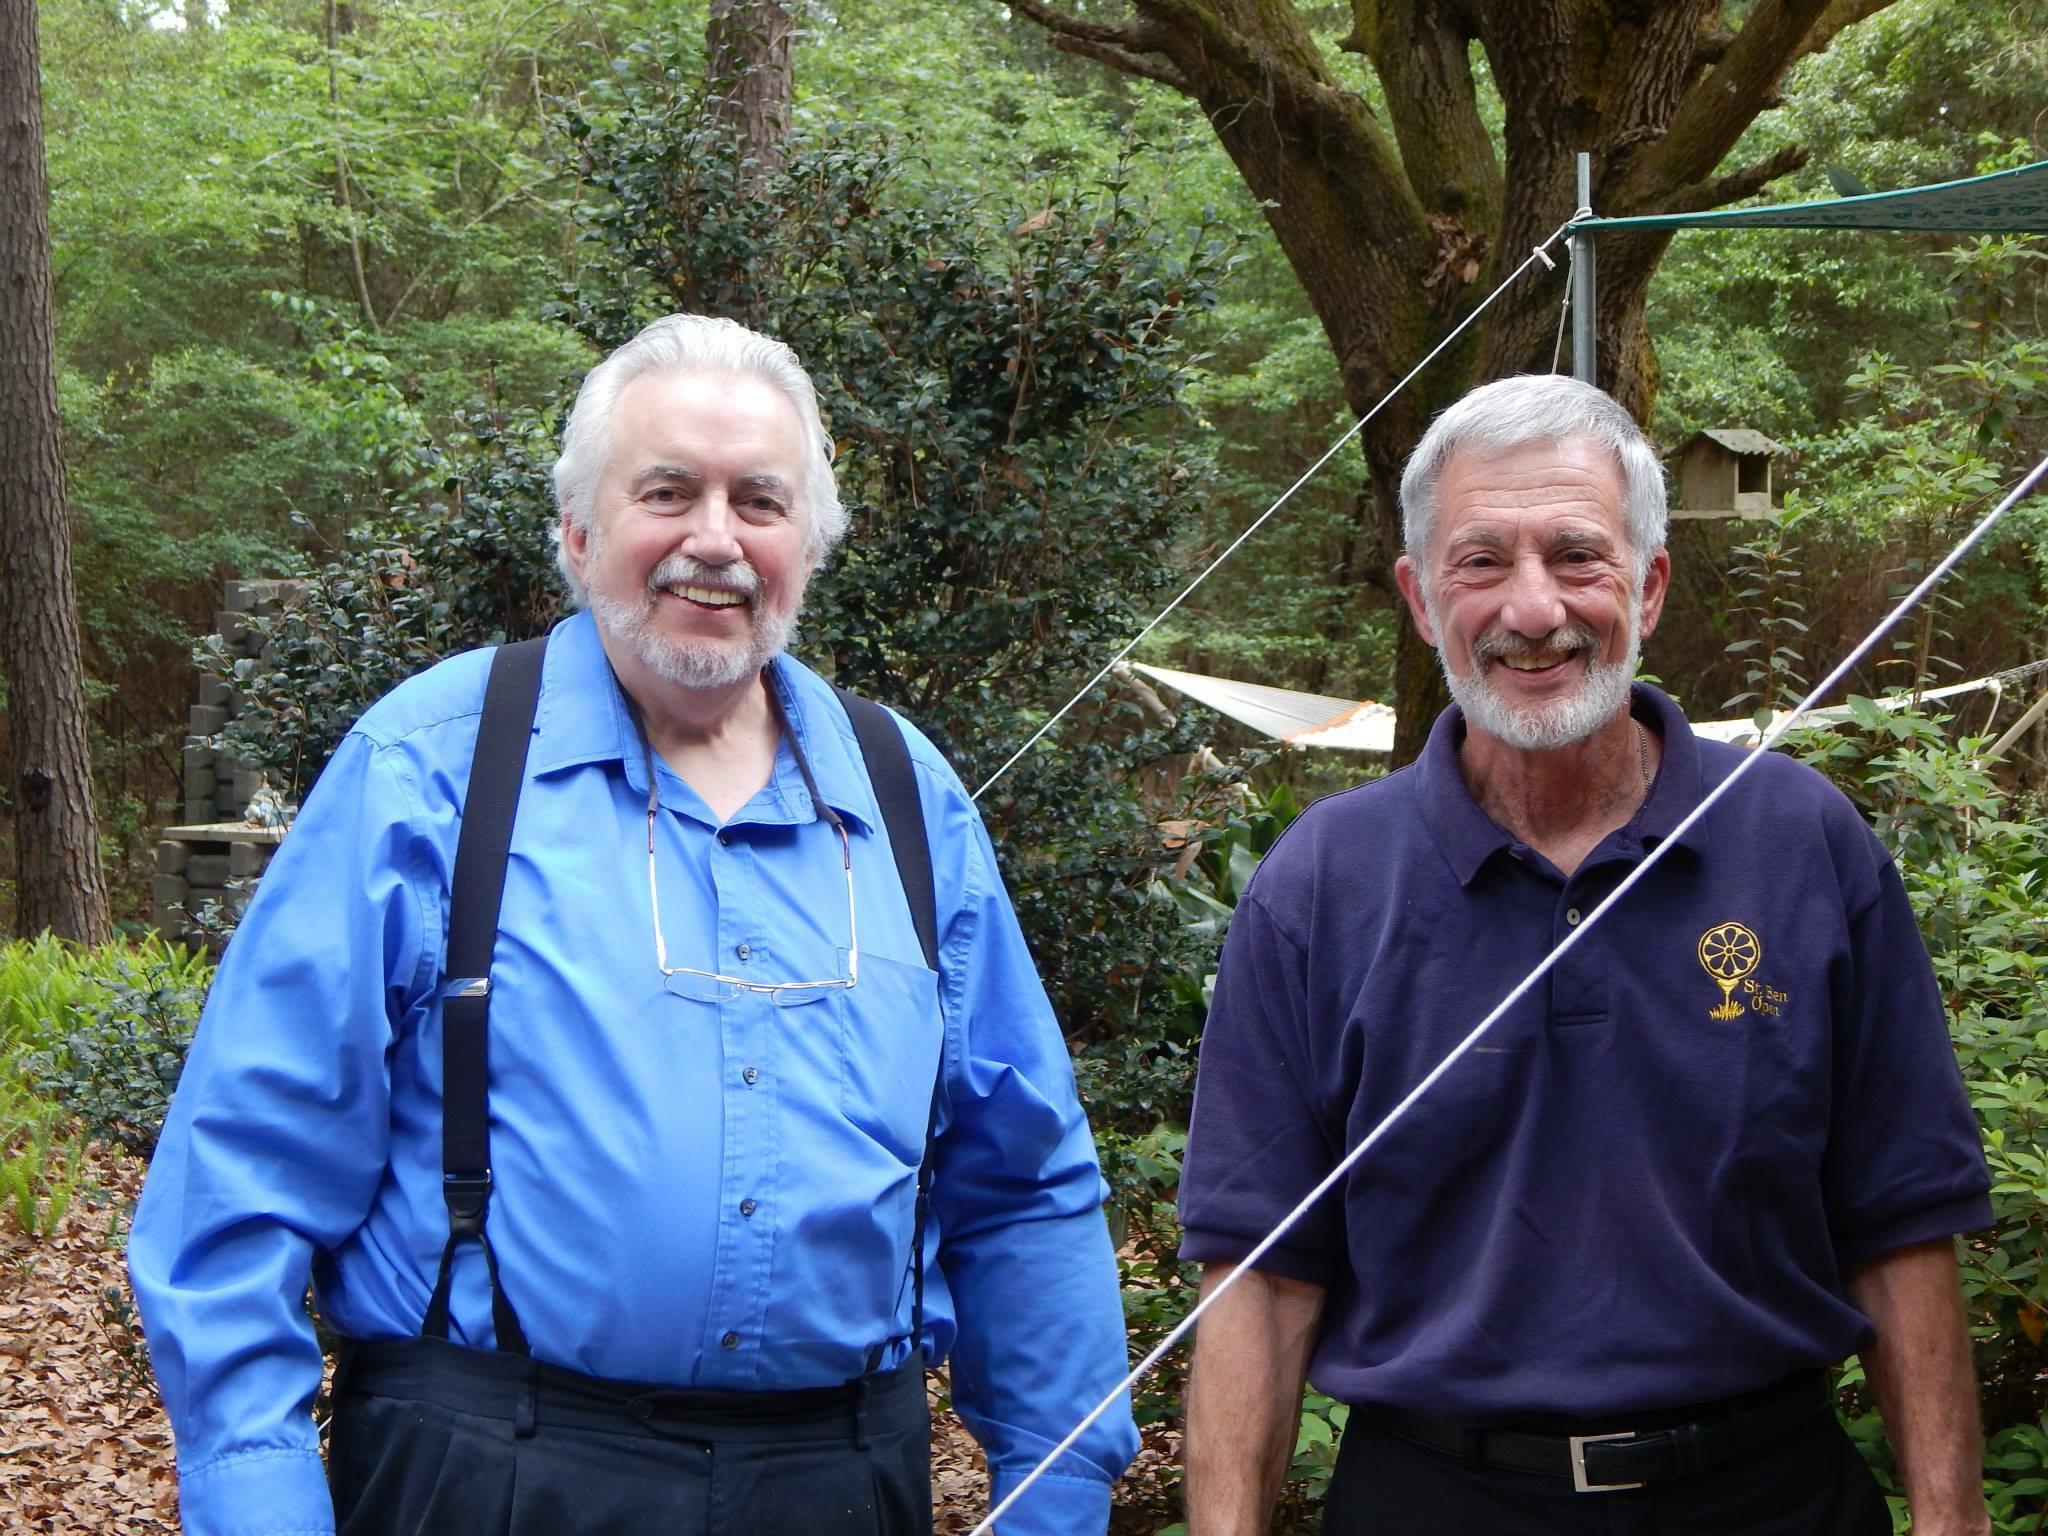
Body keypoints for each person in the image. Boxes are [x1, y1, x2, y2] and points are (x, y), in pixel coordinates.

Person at [130, 313, 1138, 1536]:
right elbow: (239, 1177)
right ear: (578, 531)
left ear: (808, 547)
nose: (714, 538)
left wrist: (1055, 1491)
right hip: (488, 1476)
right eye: (667, 491)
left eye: (759, 501)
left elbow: (1023, 1181)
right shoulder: (428, 771)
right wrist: (259, 1499)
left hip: (839, 1484)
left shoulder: (906, 797)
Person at [1175, 374, 1992, 1535]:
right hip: (1434, 1502)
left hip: (1766, 1496)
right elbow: (1257, 1276)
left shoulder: (1801, 841)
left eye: (1575, 556)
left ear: (1647, 585)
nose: (1531, 608)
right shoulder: (1318, 884)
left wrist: (1953, 1522)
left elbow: (1901, 1221)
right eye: (1479, 562)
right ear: (1418, 599)